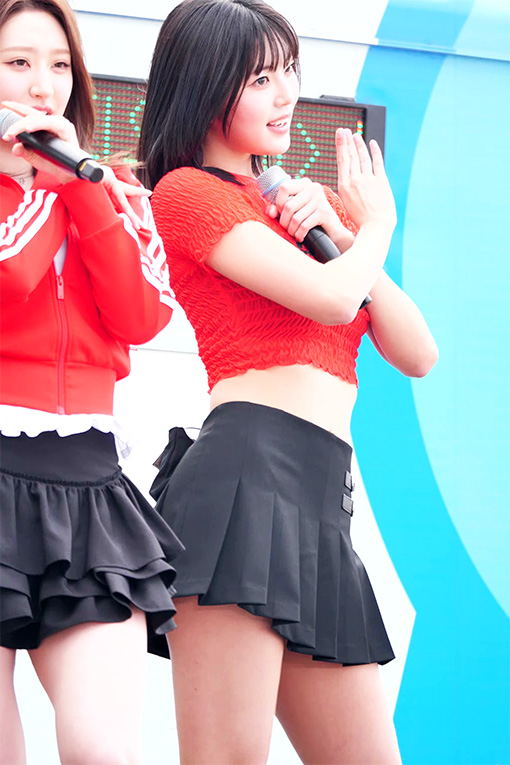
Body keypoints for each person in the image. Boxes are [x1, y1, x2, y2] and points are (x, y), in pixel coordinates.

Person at [139, 0, 438, 762]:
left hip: (322, 501)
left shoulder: (312, 210)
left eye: (289, 73)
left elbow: (417, 351)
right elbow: (333, 298)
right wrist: (375, 228)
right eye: (261, 79)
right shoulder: (187, 193)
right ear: (206, 86)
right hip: (243, 483)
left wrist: (341, 229)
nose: (286, 96)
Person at [0, 1, 183, 763]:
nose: (43, 85)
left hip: (86, 485)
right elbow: (8, 279)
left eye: (58, 65)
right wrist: (43, 185)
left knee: (103, 747)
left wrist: (81, 188)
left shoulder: (112, 189)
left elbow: (141, 315)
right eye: (17, 63)